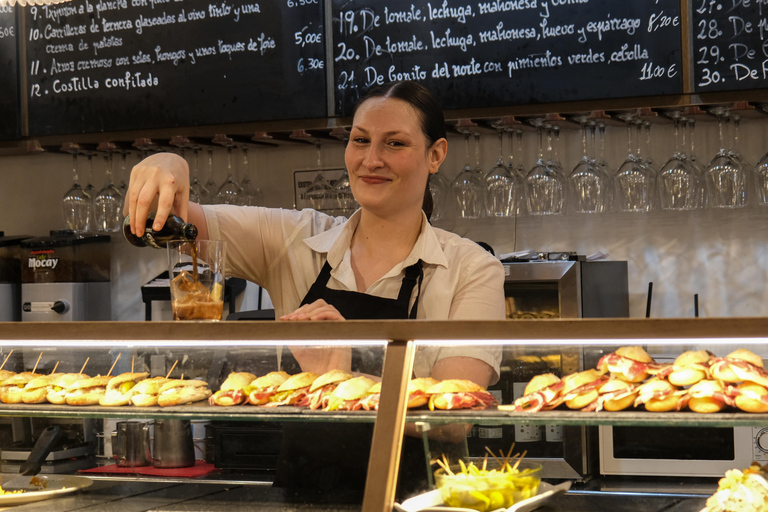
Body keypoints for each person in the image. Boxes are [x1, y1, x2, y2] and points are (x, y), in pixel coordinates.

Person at [124, 80, 506, 496]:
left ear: (436, 155)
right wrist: (167, 163)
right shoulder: (296, 240)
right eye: (360, 140)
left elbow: (452, 418)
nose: (371, 159)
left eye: (394, 143)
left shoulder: (471, 268)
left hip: (419, 501)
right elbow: (175, 225)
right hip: (303, 498)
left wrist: (342, 377)